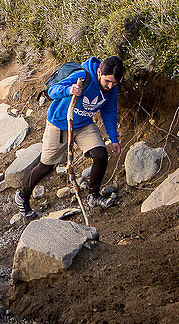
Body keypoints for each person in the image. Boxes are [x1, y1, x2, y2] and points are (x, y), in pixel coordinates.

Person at [14, 56, 124, 219]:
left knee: (100, 154)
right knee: (46, 165)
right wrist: (69, 90)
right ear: (99, 72)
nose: (110, 86)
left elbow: (109, 111)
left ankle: (93, 196)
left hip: (84, 124)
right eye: (108, 81)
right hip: (59, 122)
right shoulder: (82, 76)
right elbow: (52, 90)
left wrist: (113, 138)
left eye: (114, 83)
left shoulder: (111, 88)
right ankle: (22, 196)